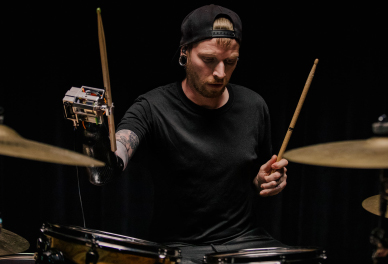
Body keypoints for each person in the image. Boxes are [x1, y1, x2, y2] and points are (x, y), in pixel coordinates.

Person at [83, 4, 288, 264]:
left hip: (244, 241)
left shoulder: (254, 106)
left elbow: (257, 176)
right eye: (209, 59)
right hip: (178, 248)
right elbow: (117, 154)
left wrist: (266, 181)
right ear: (184, 52)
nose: (220, 73)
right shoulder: (151, 107)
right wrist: (98, 145)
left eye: (231, 62)